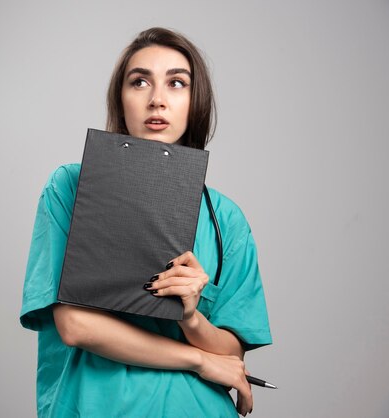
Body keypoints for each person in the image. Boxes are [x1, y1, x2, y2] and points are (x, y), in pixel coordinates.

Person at [20, 27, 272, 417]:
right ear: (121, 100)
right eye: (140, 82)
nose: (157, 100)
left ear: (195, 102)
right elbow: (75, 325)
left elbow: (231, 352)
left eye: (176, 83)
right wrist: (198, 360)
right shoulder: (71, 187)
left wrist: (190, 316)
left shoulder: (226, 219)